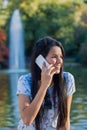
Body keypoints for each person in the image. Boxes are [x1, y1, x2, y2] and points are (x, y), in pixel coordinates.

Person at [17, 36, 76, 130]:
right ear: (40, 60)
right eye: (54, 57)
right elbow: (27, 120)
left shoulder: (67, 79)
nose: (59, 61)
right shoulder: (25, 81)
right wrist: (44, 86)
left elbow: (64, 120)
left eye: (61, 56)